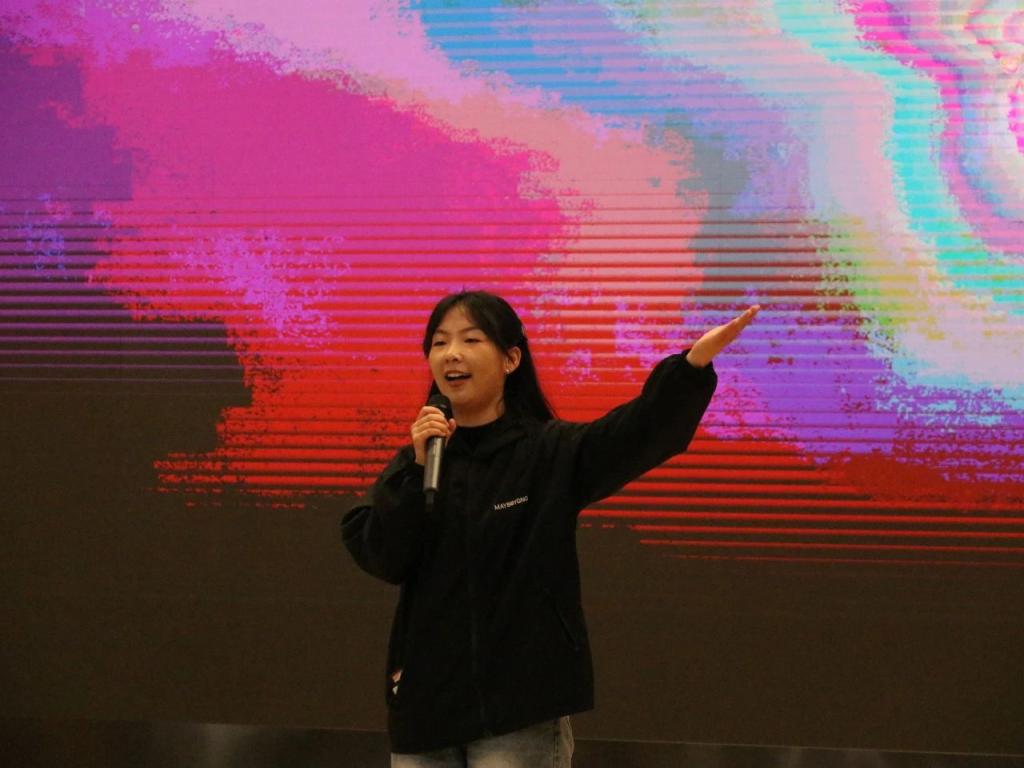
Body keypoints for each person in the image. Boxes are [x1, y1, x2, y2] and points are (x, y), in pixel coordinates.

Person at [342, 290, 759, 767]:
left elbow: (635, 433)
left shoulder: (547, 453)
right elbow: (383, 555)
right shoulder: (418, 464)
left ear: (511, 359)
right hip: (425, 714)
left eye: (470, 339)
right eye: (439, 343)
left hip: (520, 711)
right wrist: (417, 472)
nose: (451, 354)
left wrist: (690, 369)